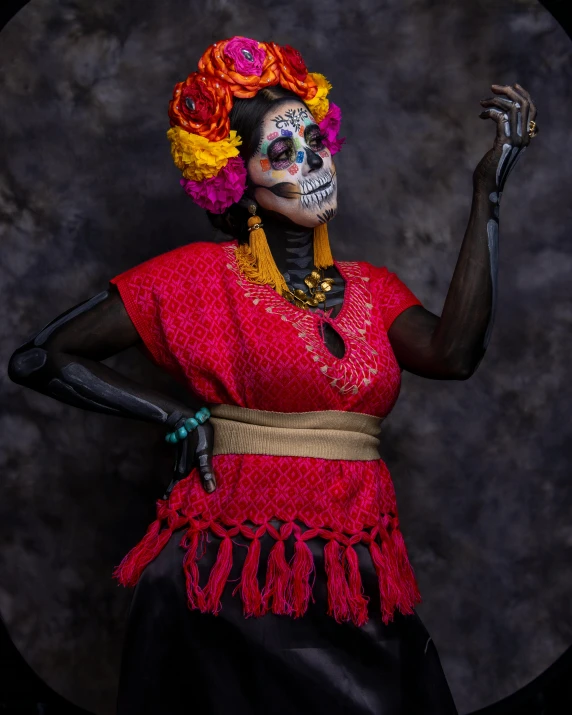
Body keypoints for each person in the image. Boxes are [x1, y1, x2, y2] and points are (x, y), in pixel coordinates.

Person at [8, 36, 537, 715]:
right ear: (237, 180)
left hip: (353, 570)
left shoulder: (373, 289)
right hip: (228, 583)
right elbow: (39, 357)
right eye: (282, 153)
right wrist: (174, 415)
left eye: (314, 141)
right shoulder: (194, 277)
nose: (312, 161)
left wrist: (485, 195)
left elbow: (455, 353)